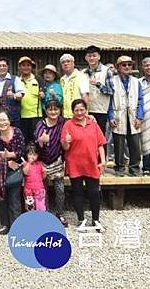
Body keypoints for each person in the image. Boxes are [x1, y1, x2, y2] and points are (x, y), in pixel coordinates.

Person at [62, 99, 107, 233]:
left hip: (92, 163)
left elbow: (100, 144)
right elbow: (65, 147)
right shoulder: (68, 125)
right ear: (72, 111)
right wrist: (66, 142)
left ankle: (96, 219)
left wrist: (103, 160)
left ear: (86, 110)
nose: (79, 112)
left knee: (94, 192)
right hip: (75, 164)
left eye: (82, 109)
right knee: (78, 192)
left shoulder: (92, 123)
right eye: (76, 110)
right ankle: (81, 219)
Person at [0, 111, 26, 235]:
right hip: (0, 172)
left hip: (15, 171)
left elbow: (21, 150)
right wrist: (6, 161)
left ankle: (16, 225)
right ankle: (5, 224)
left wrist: (10, 155)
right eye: (0, 120)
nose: (3, 122)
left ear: (9, 120)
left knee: (15, 199)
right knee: (2, 199)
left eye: (5, 119)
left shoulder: (17, 132)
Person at [108, 56, 144, 177]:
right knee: (119, 144)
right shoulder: (112, 81)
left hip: (133, 115)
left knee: (134, 144)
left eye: (129, 64)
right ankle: (119, 168)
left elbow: (140, 100)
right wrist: (111, 116)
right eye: (124, 65)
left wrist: (139, 117)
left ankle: (134, 168)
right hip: (118, 114)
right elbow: (108, 100)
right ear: (118, 67)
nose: (127, 67)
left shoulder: (136, 81)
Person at [34, 99, 68, 225]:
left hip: (57, 160)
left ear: (60, 110)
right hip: (42, 162)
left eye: (56, 109)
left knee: (60, 189)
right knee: (43, 190)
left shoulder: (63, 122)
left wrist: (91, 117)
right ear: (46, 110)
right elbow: (36, 144)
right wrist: (42, 140)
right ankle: (45, 213)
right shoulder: (40, 124)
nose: (53, 112)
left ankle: (60, 213)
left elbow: (76, 122)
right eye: (50, 109)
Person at [82, 46, 114, 146]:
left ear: (99, 57)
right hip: (86, 110)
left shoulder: (106, 71)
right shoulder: (83, 72)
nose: (92, 58)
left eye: (94, 56)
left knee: (100, 137)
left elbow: (111, 91)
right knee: (87, 137)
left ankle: (102, 160)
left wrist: (98, 84)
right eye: (89, 56)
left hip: (101, 110)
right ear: (86, 58)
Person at [0, 56, 24, 125]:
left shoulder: (15, 79)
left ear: (7, 67)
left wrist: (14, 95)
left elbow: (21, 95)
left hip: (13, 117)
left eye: (4, 66)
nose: (1, 68)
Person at [19, 56, 43, 143]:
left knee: (36, 140)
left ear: (31, 67)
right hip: (21, 116)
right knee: (23, 141)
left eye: (28, 65)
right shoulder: (17, 80)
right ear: (19, 67)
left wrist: (43, 94)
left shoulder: (38, 79)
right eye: (23, 65)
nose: (26, 67)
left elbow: (44, 92)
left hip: (35, 116)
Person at [59, 53, 90, 119]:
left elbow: (85, 95)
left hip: (78, 114)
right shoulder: (62, 79)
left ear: (73, 63)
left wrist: (85, 113)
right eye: (63, 62)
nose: (66, 64)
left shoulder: (81, 76)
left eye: (68, 61)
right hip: (65, 115)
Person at [22, 143, 46, 211]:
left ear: (38, 155)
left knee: (40, 206)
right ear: (26, 155)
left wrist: (44, 172)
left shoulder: (40, 164)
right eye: (30, 154)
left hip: (39, 189)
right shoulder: (25, 164)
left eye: (34, 155)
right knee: (30, 207)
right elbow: (25, 172)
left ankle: (40, 219)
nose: (32, 156)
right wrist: (29, 163)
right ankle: (31, 219)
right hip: (28, 190)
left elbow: (43, 177)